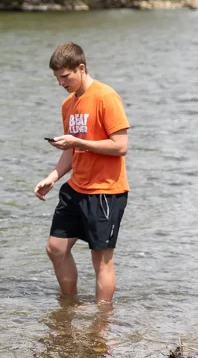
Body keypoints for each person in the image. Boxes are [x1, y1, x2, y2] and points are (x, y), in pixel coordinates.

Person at [34, 42, 129, 303]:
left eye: (65, 76)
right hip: (76, 188)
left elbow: (120, 146)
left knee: (101, 260)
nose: (61, 83)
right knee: (55, 248)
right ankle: (69, 306)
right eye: (57, 78)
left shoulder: (105, 97)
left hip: (105, 191)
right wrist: (53, 177)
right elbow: (71, 150)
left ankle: (102, 318)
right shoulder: (68, 104)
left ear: (81, 68)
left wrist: (78, 142)